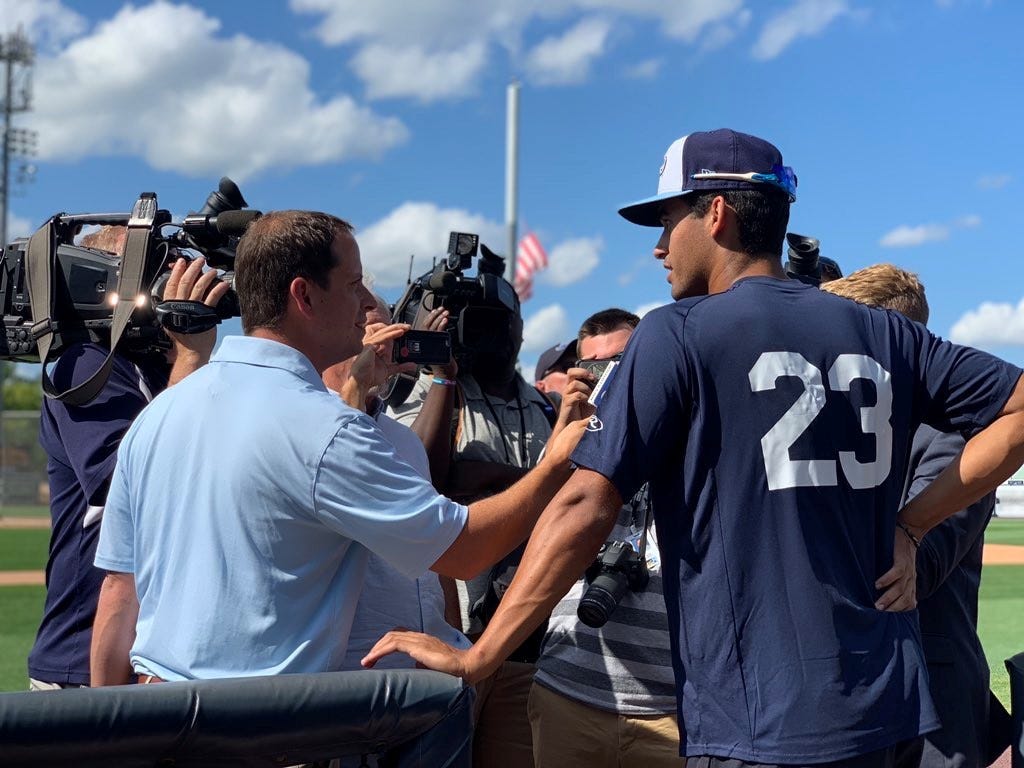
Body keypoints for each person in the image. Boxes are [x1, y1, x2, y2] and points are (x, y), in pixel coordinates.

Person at [364, 128, 1024, 768]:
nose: (658, 247)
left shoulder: (678, 334)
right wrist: (914, 521)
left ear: (715, 214)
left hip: (757, 717)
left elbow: (584, 504)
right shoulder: (881, 329)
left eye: (666, 219)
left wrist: (483, 657)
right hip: (881, 706)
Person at [90, 210, 585, 687]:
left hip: (157, 712)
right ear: (303, 295)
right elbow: (463, 551)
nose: (363, 305)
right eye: (353, 286)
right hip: (261, 729)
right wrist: (558, 463)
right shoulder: (323, 427)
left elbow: (119, 595)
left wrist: (111, 734)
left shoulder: (159, 413)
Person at [822, 264, 1012, 768]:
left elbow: (915, 570)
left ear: (893, 340)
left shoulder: (958, 435)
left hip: (934, 705)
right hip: (856, 700)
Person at [27, 224, 228, 690]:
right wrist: (191, 359)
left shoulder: (165, 368)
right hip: (87, 658)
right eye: (155, 267)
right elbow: (126, 483)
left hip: (156, 650)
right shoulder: (86, 366)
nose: (171, 279)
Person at [388, 271, 557, 768]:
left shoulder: (542, 405)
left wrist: (483, 479)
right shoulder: (435, 390)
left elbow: (562, 488)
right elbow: (426, 478)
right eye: (473, 323)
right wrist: (442, 374)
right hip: (456, 632)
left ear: (519, 331)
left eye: (495, 324)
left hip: (525, 635)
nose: (485, 335)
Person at [530, 308, 682, 767]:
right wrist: (566, 432)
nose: (609, 376)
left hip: (670, 705)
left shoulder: (686, 432)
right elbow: (536, 530)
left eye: (623, 360)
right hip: (569, 688)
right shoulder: (567, 445)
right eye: (595, 366)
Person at [321, 293, 470, 671]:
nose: (381, 348)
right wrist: (354, 383)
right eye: (368, 332)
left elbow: (435, 546)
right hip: (359, 668)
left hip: (430, 664)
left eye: (391, 335)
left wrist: (453, 636)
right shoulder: (310, 426)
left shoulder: (404, 440)